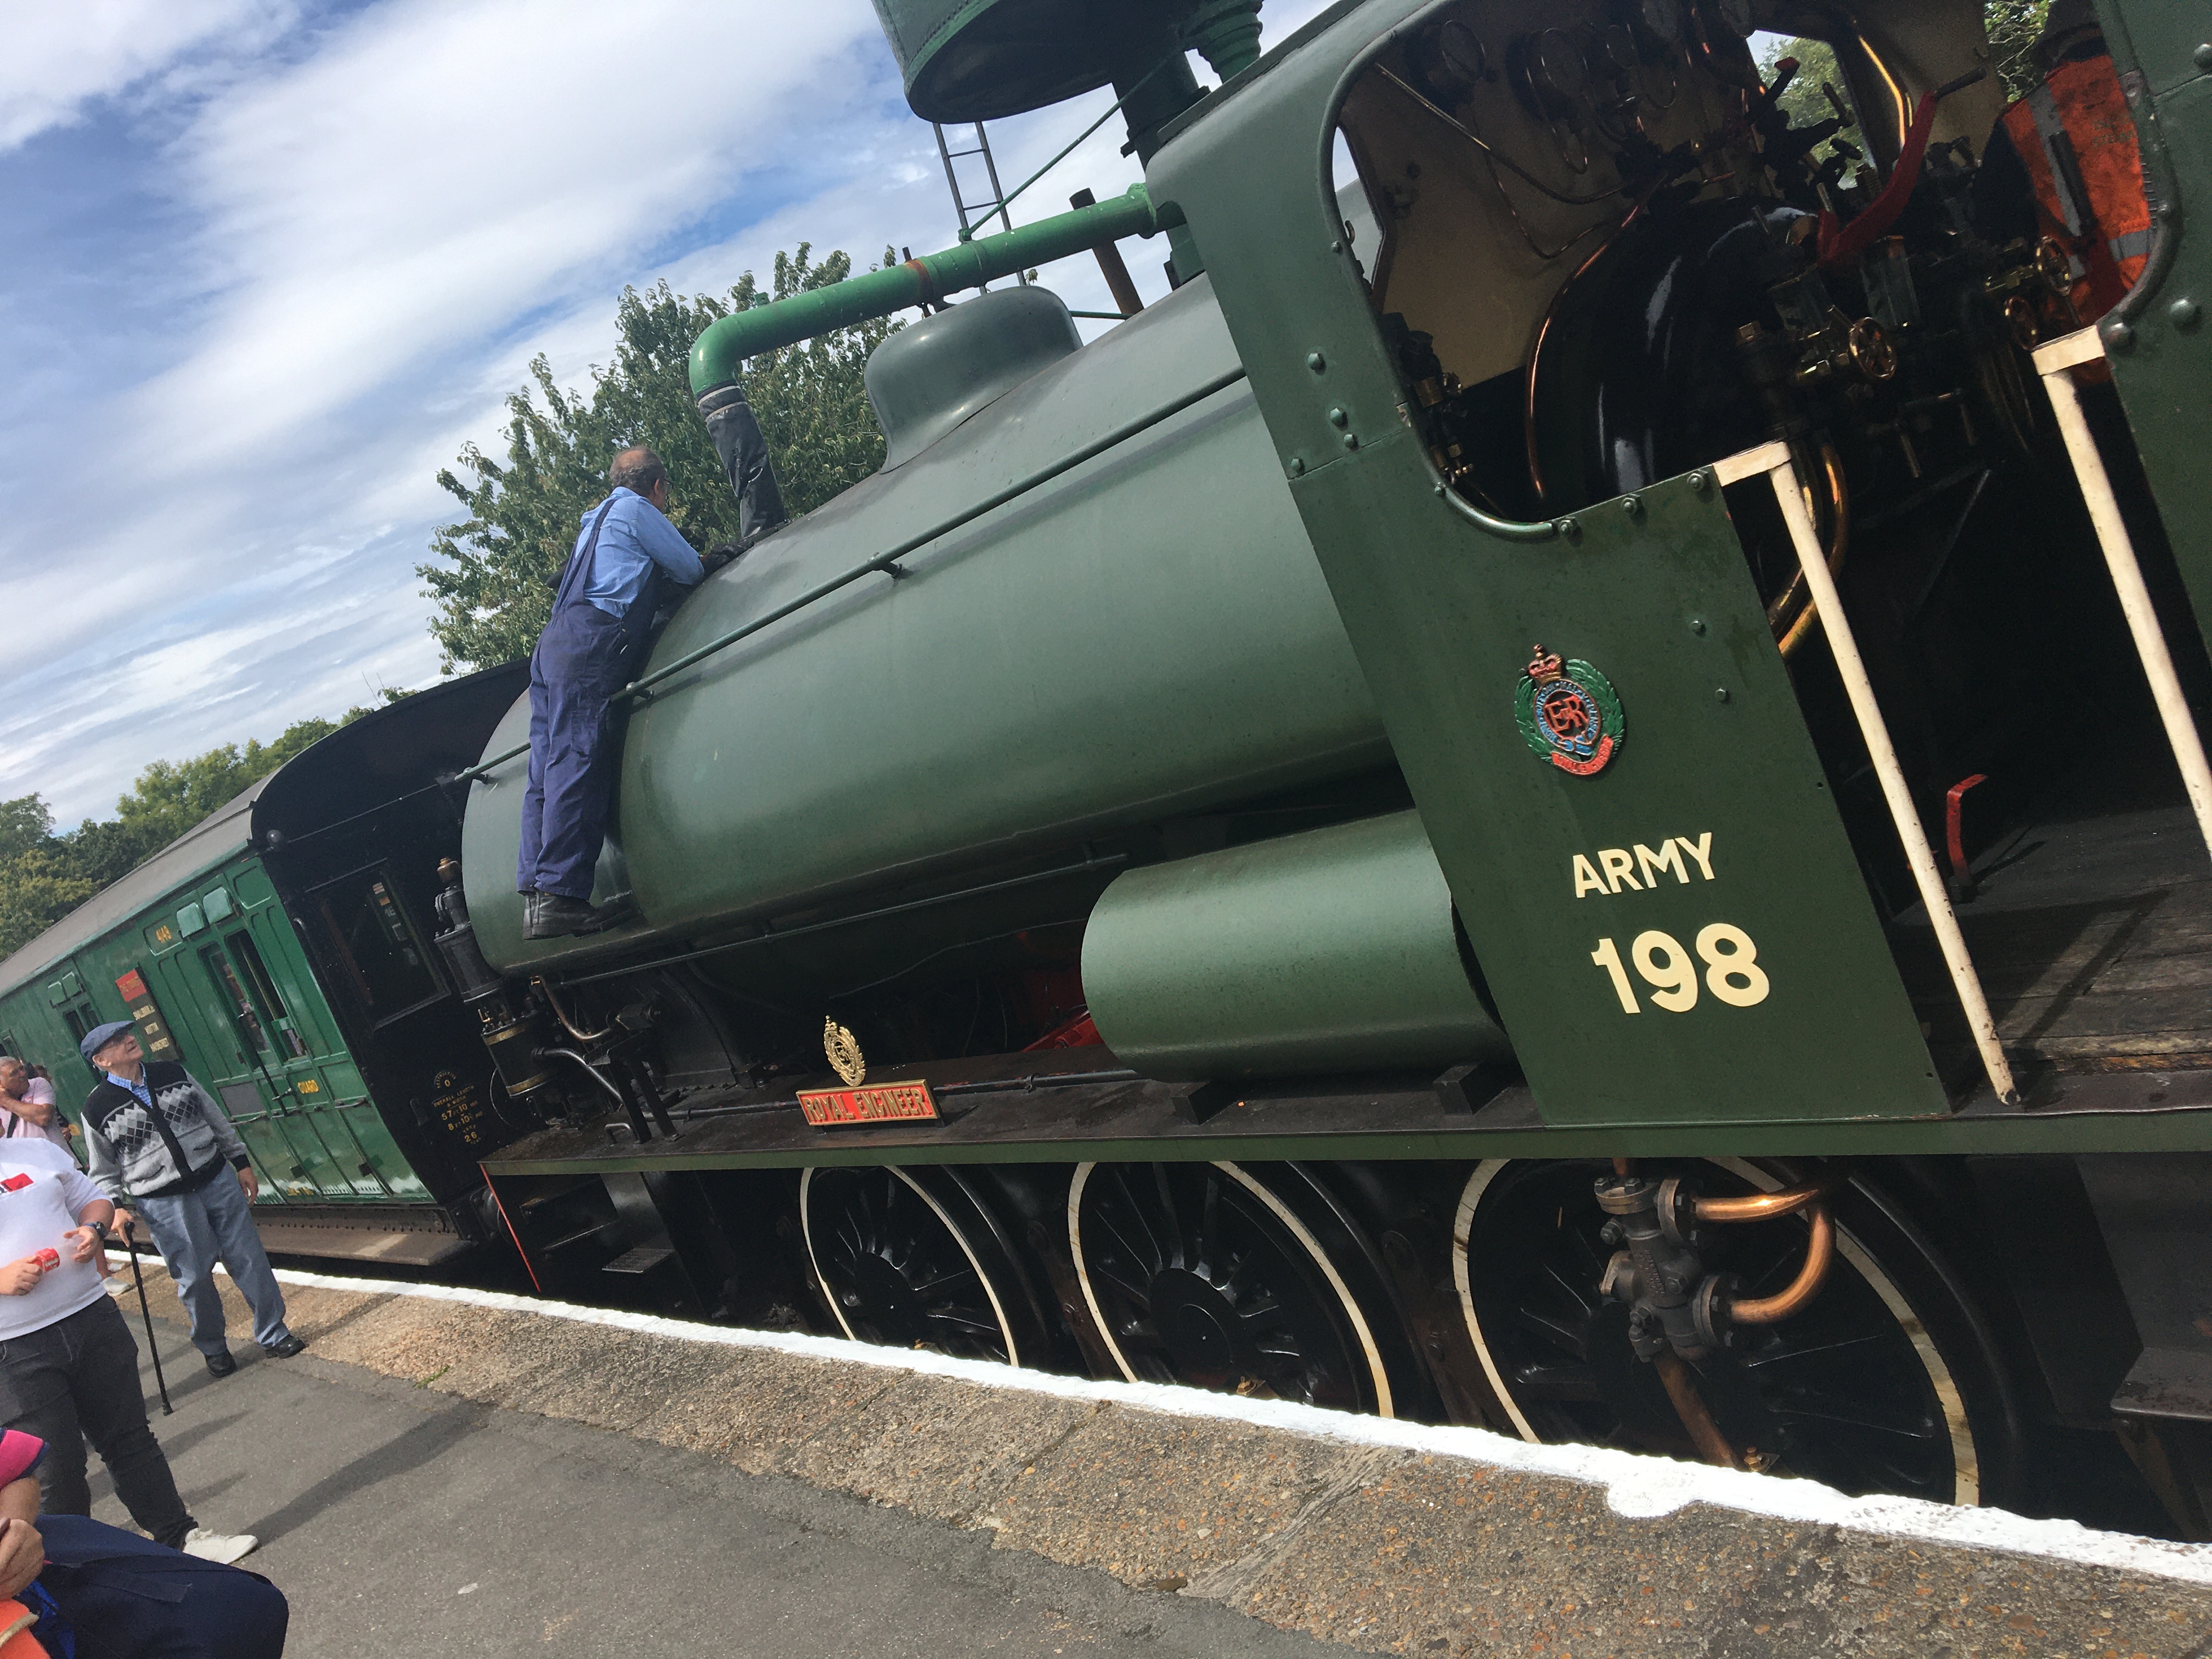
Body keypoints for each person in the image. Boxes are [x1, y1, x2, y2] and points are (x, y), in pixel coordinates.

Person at [0, 1118, 255, 1565]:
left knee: (129, 1440)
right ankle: (68, 1574)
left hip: (90, 1317)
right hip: (15, 1350)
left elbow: (93, 1201)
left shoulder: (35, 1153)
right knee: (56, 1471)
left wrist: (93, 1231)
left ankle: (181, 1539)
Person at [516, 447, 715, 940]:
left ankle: (535, 897)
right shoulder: (636, 510)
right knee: (576, 755)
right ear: (658, 486)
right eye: (665, 494)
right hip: (592, 640)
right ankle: (563, 894)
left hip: (552, 645)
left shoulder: (595, 519)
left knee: (543, 767)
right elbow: (689, 570)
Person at [76, 1023, 305, 1379]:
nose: (129, 1041)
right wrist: (116, 1206)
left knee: (249, 1259)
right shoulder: (96, 1107)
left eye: (128, 1035)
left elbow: (214, 1116)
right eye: (117, 1042)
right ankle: (214, 1346)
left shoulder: (172, 1073)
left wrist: (240, 1161)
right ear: (101, 1059)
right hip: (164, 1204)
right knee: (195, 1278)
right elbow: (102, 1169)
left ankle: (274, 1334)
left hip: (216, 1179)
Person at [0, 1426, 286, 1657]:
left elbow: (17, 1468)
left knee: (245, 1608)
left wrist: (15, 1533)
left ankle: (179, 1534)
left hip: (41, 1593)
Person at [1975, 0, 2152, 324]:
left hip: (2101, 326)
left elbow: (1994, 227)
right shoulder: (2162, 83)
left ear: (2054, 46)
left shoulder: (2019, 124)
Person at [0, 1062, 69, 1156]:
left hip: (59, 1162)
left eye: (21, 1069)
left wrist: (6, 1100)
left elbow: (43, 1117)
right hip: (25, 1167)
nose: (23, 1074)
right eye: (14, 1073)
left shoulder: (38, 1084)